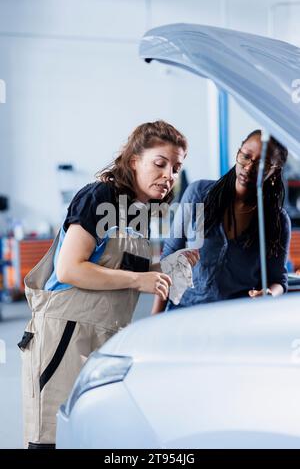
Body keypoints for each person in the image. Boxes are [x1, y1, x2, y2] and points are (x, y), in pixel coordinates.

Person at [18, 120, 199, 448]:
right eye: (160, 164)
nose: (169, 175)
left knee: (92, 436)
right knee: (52, 438)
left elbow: (120, 270)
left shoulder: (140, 212)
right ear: (134, 161)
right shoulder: (99, 196)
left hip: (107, 334)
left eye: (176, 167)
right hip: (67, 332)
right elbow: (71, 268)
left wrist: (170, 266)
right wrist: (140, 278)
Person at [152, 129, 291, 314]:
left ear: (274, 172)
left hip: (236, 321)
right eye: (246, 157)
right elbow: (170, 256)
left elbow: (278, 281)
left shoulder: (277, 221)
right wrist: (155, 317)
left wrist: (269, 294)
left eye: (262, 164)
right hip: (184, 314)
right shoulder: (198, 193)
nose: (249, 167)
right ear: (238, 153)